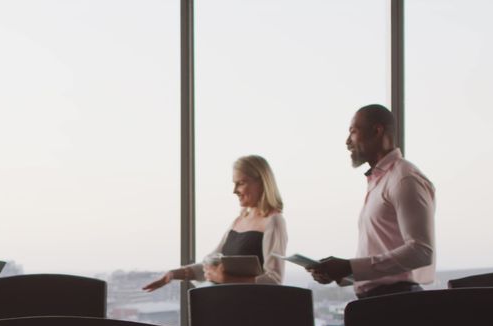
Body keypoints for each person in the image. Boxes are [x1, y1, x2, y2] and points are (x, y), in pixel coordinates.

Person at [311, 104, 435, 298]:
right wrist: (342, 273)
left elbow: (421, 251)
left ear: (377, 131)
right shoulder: (381, 181)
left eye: (353, 132)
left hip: (396, 302)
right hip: (379, 301)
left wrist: (349, 266)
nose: (347, 141)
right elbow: (380, 259)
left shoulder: (404, 179)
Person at [143, 155, 287, 291]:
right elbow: (210, 266)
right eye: (234, 184)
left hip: (251, 310)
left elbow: (274, 280)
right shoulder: (239, 221)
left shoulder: (273, 221)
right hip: (227, 305)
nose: (234, 191)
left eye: (241, 183)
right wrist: (173, 274)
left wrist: (227, 279)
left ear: (261, 182)